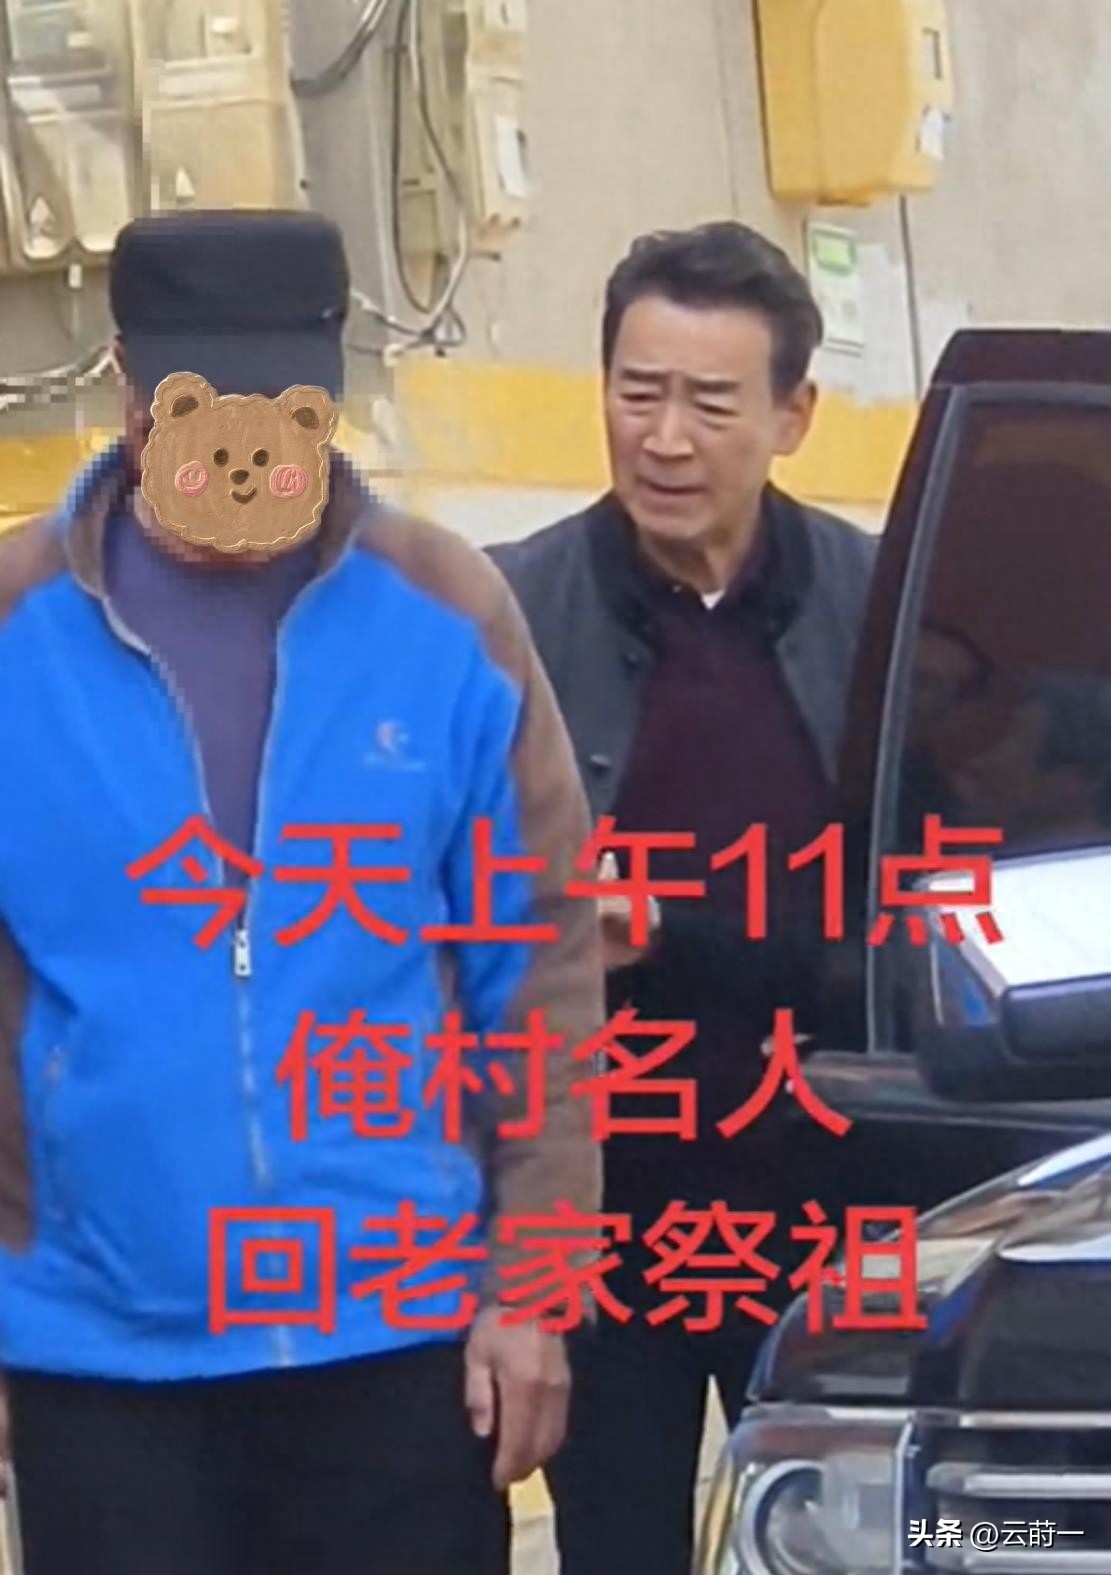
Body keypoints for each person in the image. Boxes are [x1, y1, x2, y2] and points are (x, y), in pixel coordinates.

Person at [0, 209, 603, 1575]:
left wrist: (533, 1286)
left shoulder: (446, 613)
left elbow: (542, 966)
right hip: (101, 1353)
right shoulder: (16, 629)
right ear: (127, 385)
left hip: (400, 1347)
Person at [489, 220, 879, 1575]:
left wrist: (668, 930)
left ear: (792, 416)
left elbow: (930, 922)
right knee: (619, 1546)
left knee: (891, 1534)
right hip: (608, 1215)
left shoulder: (883, 611)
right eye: (636, 392)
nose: (664, 439)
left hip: (839, 1207)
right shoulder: (506, 614)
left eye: (711, 403)